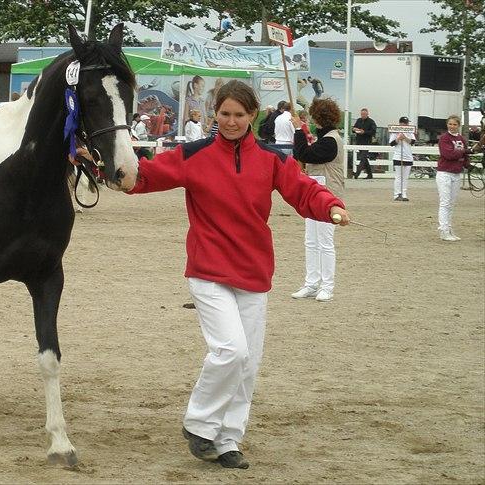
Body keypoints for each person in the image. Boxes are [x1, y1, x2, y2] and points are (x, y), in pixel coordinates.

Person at [82, 80, 349, 469]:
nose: (231, 121)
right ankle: (200, 424)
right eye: (224, 114)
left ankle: (228, 440)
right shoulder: (192, 155)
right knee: (231, 351)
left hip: (254, 272)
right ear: (214, 114)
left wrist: (331, 207)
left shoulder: (274, 159)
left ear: (252, 116)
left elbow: (304, 191)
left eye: (239, 115)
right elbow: (141, 178)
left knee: (248, 363)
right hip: (207, 271)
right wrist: (106, 167)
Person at [290, 98, 345, 302]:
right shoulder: (324, 139)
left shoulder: (330, 141)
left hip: (328, 196)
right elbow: (307, 152)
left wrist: (298, 131)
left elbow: (303, 153)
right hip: (313, 193)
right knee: (311, 241)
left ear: (319, 118)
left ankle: (327, 286)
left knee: (325, 242)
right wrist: (303, 131)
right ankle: (311, 283)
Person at [436, 115, 470, 241]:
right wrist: (465, 152)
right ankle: (443, 230)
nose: (452, 126)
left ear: (458, 125)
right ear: (447, 125)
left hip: (456, 173)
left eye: (454, 124)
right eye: (450, 124)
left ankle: (449, 228)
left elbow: (464, 155)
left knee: (451, 203)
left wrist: (468, 163)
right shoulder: (444, 138)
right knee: (445, 202)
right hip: (445, 173)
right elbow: (448, 154)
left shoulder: (461, 139)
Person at [390, 116, 416, 201]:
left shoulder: (409, 131)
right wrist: (398, 138)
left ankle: (404, 193)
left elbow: (412, 141)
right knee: (398, 176)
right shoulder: (395, 132)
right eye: (406, 123)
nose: (407, 124)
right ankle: (397, 194)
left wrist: (405, 137)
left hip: (408, 156)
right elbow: (392, 143)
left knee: (405, 177)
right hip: (398, 156)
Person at [352, 108, 377, 179]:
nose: (363, 115)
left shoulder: (371, 122)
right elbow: (354, 128)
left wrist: (364, 132)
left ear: (367, 114)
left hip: (367, 142)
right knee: (364, 159)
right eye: (362, 114)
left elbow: (373, 131)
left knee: (362, 158)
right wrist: (354, 129)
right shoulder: (359, 120)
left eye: (364, 114)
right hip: (359, 142)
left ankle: (356, 174)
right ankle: (370, 175)